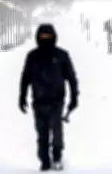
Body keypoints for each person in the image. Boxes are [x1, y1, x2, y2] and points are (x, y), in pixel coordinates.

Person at [19, 23, 79, 171]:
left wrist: (74, 97)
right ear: (38, 37)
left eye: (48, 36)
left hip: (56, 101)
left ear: (53, 37)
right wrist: (22, 96)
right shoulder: (32, 56)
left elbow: (71, 78)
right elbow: (25, 77)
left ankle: (57, 156)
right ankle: (44, 160)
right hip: (39, 101)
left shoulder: (61, 56)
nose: (45, 39)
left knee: (56, 130)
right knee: (42, 133)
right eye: (43, 36)